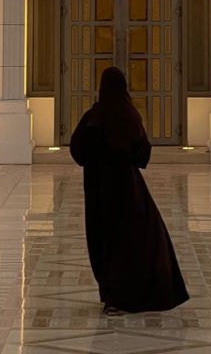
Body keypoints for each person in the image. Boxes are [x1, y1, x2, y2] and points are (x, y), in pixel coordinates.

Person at [69, 66, 189, 315]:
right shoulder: (129, 115)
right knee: (133, 241)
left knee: (106, 241)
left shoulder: (94, 117)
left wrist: (97, 161)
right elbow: (143, 153)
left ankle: (113, 297)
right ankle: (136, 294)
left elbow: (79, 150)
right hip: (128, 189)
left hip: (100, 191)